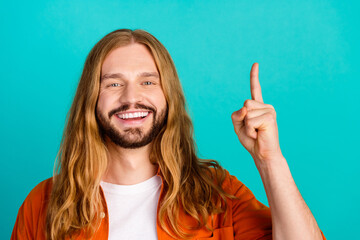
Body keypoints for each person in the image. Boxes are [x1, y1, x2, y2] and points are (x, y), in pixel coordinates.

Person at [11, 29, 326, 240]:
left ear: (168, 97)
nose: (131, 97)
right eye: (113, 83)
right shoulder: (45, 203)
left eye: (148, 81)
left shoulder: (217, 195)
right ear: (91, 98)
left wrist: (270, 160)